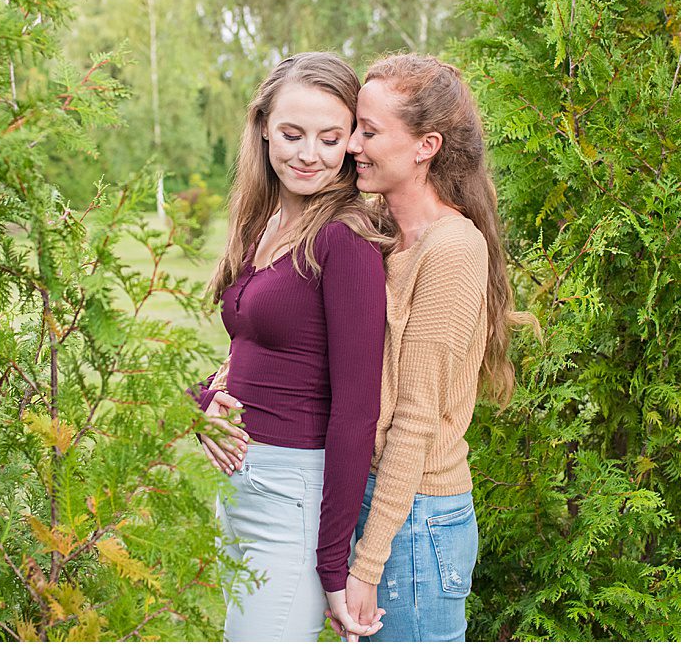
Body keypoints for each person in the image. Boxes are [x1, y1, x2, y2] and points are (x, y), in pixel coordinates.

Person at [326, 54, 539, 642]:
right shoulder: (378, 230)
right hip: (378, 503)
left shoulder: (450, 250)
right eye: (354, 128)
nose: (351, 146)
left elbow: (416, 417)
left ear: (427, 146)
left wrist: (368, 563)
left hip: (416, 519)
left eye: (369, 132)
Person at [189, 52, 391, 642]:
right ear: (262, 130)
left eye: (331, 138)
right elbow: (251, 353)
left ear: (352, 140)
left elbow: (357, 411)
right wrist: (203, 403)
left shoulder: (344, 241)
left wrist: (335, 566)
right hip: (243, 487)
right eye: (292, 134)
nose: (309, 155)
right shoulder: (266, 224)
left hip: (293, 496)